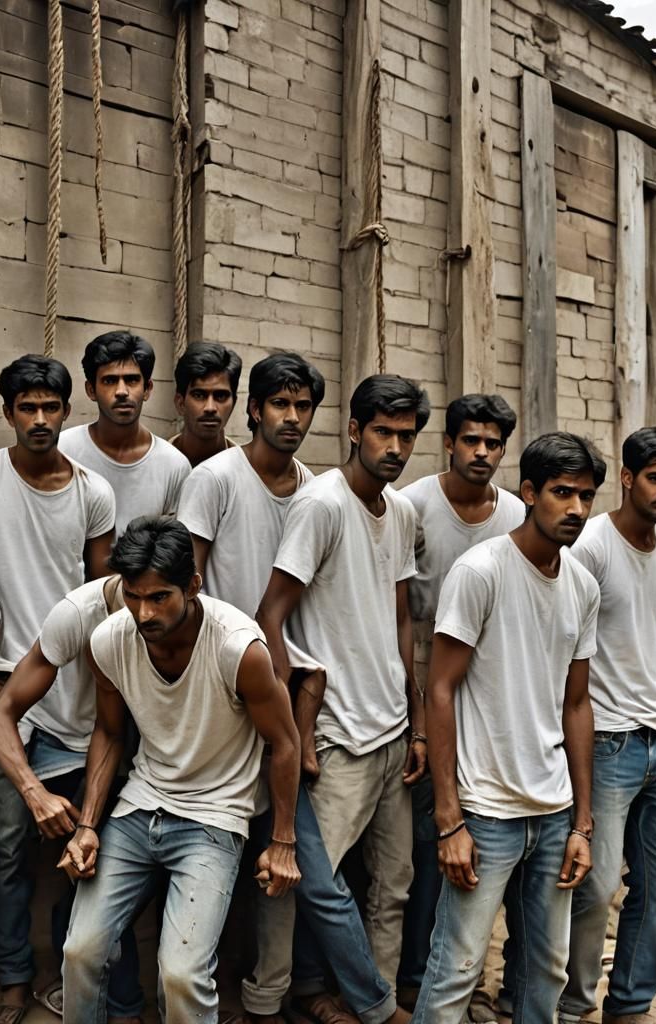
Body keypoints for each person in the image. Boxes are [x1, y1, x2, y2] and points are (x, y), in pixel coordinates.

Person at [59, 517, 301, 1024]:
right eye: (133, 596)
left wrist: (282, 840)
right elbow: (108, 732)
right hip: (140, 806)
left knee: (182, 973)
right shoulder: (109, 640)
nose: (143, 612)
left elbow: (284, 741)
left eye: (159, 598)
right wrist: (86, 826)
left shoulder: (238, 647)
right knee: (80, 952)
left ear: (193, 585)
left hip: (215, 818)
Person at [0, 355, 117, 1023]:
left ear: (67, 412)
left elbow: (104, 600)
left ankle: (70, 973)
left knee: (79, 845)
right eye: (27, 408)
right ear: (8, 411)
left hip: (71, 692)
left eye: (51, 408)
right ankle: (14, 980)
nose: (39, 420)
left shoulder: (93, 493)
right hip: (1, 697)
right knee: (8, 850)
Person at [412, 432, 604, 1024]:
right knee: (456, 968)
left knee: (547, 966)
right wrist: (449, 820)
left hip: (552, 813)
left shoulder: (582, 586)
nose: (575, 509)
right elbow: (440, 690)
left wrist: (583, 823)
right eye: (561, 493)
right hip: (487, 811)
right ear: (528, 494)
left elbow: (577, 706)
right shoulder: (480, 572)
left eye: (585, 497)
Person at [257, 374, 430, 992]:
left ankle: (373, 998)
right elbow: (270, 614)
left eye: (406, 436)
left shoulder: (403, 510)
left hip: (390, 736)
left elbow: (402, 618)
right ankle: (270, 995)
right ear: (354, 431)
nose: (394, 447)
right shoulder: (323, 504)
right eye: (382, 432)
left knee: (394, 885)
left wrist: (417, 722)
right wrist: (291, 733)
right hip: (336, 737)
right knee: (298, 876)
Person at [558, 428, 656, 1024]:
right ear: (626, 477)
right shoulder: (589, 546)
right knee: (593, 889)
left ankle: (630, 1005)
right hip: (607, 741)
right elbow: (565, 647)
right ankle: (571, 1005)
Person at [397, 394, 523, 1016]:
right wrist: (417, 715)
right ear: (448, 444)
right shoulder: (415, 505)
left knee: (492, 847)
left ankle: (471, 975)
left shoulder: (519, 515)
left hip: (492, 700)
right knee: (427, 844)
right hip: (424, 690)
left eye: (493, 444)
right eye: (470, 440)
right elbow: (400, 615)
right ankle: (418, 978)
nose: (481, 452)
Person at [0, 574, 144, 1024]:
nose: (146, 613)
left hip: (119, 746)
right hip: (52, 739)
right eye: (135, 599)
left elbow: (111, 730)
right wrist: (35, 794)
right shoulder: (76, 614)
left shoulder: (175, 619)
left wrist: (89, 823)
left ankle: (123, 1006)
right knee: (14, 853)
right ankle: (20, 982)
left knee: (100, 875)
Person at [59, 330, 190, 532]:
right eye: (110, 381)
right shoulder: (62, 450)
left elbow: (172, 547)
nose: (121, 391)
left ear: (147, 389)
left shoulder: (174, 465)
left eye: (131, 380)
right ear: (91, 390)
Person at [170, 341, 243, 466]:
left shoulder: (246, 470)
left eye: (221, 396)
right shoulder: (155, 464)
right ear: (180, 403)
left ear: (233, 404)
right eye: (199, 395)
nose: (210, 408)